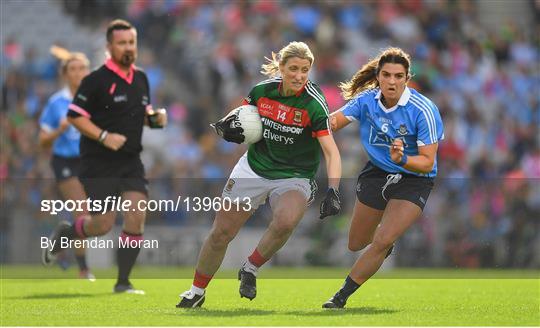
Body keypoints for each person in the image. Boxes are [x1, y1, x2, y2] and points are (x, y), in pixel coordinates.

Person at [176, 41, 342, 308]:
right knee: (221, 233)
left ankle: (250, 268)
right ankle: (196, 291)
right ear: (281, 68)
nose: (300, 76)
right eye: (294, 69)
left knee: (286, 221)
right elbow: (243, 120)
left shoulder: (314, 105)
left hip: (294, 175)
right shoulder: (261, 92)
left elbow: (331, 152)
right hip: (253, 168)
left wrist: (333, 189)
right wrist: (228, 129)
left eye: (305, 70)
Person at [42, 19, 167, 294]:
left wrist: (155, 118)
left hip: (131, 160)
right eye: (121, 43)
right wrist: (103, 136)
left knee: (136, 214)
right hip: (98, 161)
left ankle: (123, 282)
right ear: (109, 47)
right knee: (102, 224)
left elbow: (140, 115)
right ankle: (66, 233)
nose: (127, 48)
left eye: (131, 42)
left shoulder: (142, 78)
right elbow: (75, 116)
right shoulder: (95, 80)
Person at [322, 47, 444, 308]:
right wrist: (307, 120)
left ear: (407, 78)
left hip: (415, 178)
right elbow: (333, 122)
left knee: (383, 239)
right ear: (378, 76)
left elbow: (427, 162)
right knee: (355, 243)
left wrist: (403, 160)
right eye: (386, 75)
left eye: (398, 76)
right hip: (377, 172)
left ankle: (340, 296)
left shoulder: (423, 110)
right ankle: (383, 243)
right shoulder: (367, 101)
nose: (391, 81)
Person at [39, 46, 95, 281]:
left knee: (93, 217)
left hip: (90, 161)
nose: (78, 73)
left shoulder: (94, 99)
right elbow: (42, 140)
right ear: (65, 74)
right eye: (73, 69)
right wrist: (58, 130)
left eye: (82, 68)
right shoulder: (56, 103)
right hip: (65, 161)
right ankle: (83, 270)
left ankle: (62, 237)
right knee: (83, 213)